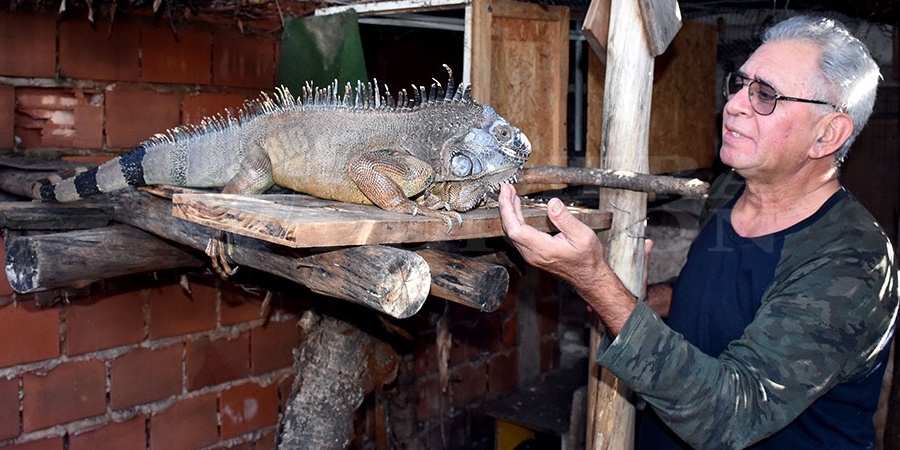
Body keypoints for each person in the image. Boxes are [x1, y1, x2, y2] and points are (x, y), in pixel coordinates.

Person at [498, 15, 898, 450]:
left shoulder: (854, 261)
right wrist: (639, 298)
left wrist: (597, 282)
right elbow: (723, 294)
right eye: (740, 85)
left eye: (766, 95)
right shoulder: (730, 188)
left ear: (827, 135)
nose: (735, 105)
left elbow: (731, 416)